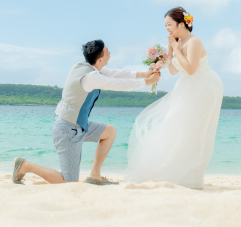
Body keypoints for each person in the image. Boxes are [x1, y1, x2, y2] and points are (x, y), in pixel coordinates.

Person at [12, 39, 160, 185]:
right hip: (67, 129)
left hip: (76, 125)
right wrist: (148, 82)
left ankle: (95, 176)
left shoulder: (85, 66)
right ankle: (25, 165)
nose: (110, 53)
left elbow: (114, 73)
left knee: (109, 132)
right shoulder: (91, 77)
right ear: (100, 59)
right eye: (107, 51)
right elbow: (119, 84)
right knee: (68, 182)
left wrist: (145, 74)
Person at [126, 7, 224, 189]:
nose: (167, 28)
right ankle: (173, 173)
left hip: (204, 87)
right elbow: (172, 70)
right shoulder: (178, 43)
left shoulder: (194, 42)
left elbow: (191, 69)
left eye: (169, 24)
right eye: (165, 25)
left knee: (194, 131)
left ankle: (191, 177)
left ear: (181, 24)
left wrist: (177, 50)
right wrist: (171, 51)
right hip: (187, 87)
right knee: (176, 125)